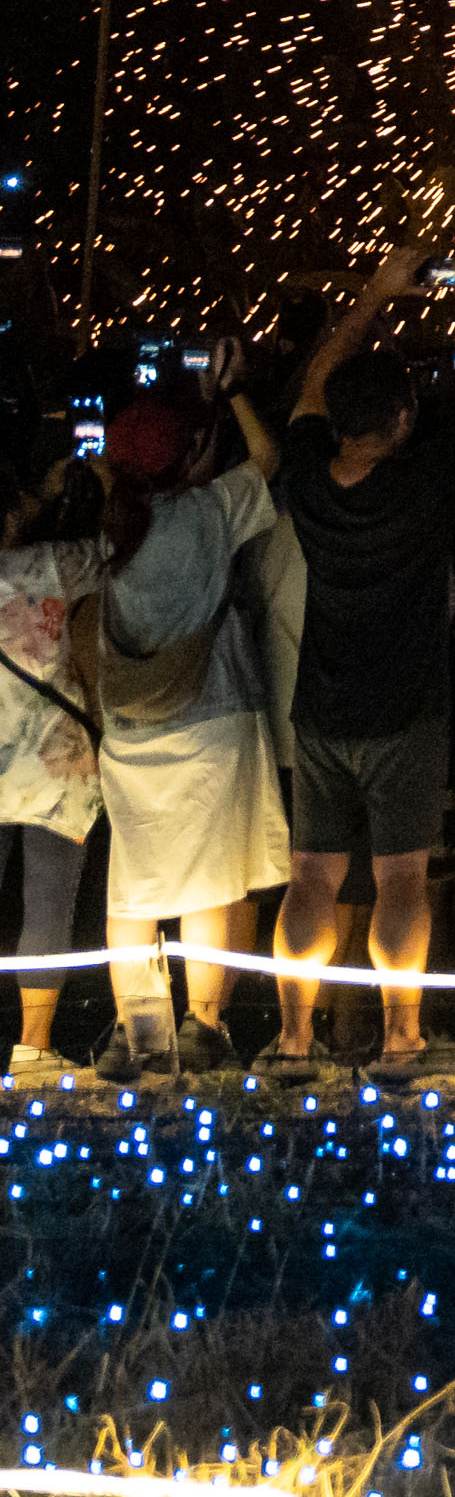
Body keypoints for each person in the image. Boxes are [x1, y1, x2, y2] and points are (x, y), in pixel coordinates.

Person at [271, 241, 455, 1079]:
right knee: (401, 878)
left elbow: (313, 385)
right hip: (406, 711)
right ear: (405, 421)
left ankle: (293, 1041)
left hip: (321, 708)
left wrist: (373, 293)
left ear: (337, 421)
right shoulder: (423, 485)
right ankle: (402, 1040)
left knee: (311, 876)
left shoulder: (305, 478)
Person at [89, 375, 291, 1080]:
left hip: (128, 729)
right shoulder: (210, 510)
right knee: (209, 883)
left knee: (133, 888)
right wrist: (235, 392)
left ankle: (136, 1035)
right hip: (210, 718)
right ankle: (203, 1029)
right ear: (190, 455)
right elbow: (268, 456)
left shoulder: (108, 526)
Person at [1, 425, 109, 1078]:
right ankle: (33, 1047)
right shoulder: (51, 566)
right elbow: (117, 545)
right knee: (48, 901)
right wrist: (82, 484)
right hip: (55, 763)